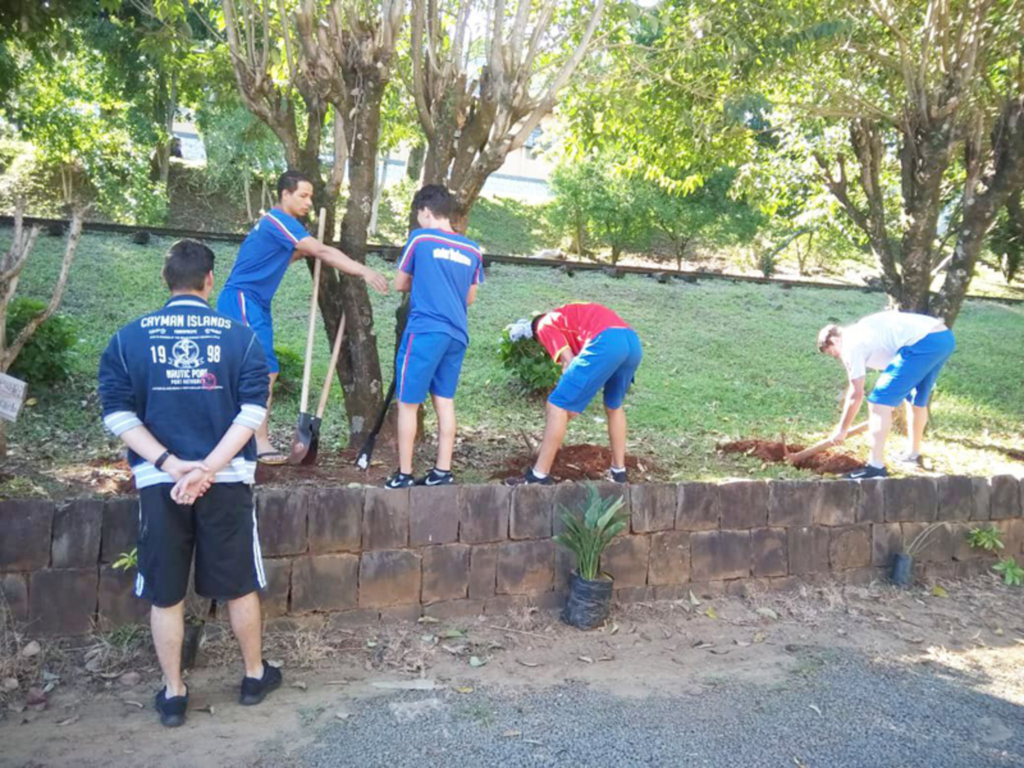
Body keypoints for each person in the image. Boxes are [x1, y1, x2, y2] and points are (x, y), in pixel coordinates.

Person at [99, 240, 281, 728]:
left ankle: (175, 693)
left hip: (161, 480)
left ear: (166, 281)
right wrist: (208, 468)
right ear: (209, 281)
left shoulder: (128, 339)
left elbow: (116, 413)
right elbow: (253, 411)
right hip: (228, 478)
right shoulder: (239, 336)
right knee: (240, 583)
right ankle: (252, 675)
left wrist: (172, 463)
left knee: (166, 591)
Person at [217, 170, 389, 464]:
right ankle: (256, 442)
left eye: (311, 196)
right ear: (285, 195)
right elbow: (320, 251)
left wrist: (313, 250)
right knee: (262, 370)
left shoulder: (281, 227)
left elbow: (292, 254)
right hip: (242, 301)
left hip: (255, 303)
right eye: (303, 196)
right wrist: (362, 269)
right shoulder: (278, 221)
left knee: (253, 371)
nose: (309, 202)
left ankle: (235, 437)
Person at [385, 185, 484, 489]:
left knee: (408, 403)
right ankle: (442, 471)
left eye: (419, 216)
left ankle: (403, 474)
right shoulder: (472, 249)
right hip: (457, 334)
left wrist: (425, 279)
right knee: (445, 401)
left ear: (425, 212)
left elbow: (400, 283)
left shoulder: (421, 238)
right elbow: (470, 298)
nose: (419, 222)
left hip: (426, 331)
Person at [504, 302, 643, 486]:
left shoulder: (543, 325)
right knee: (613, 406)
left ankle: (538, 476)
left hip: (606, 341)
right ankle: (619, 473)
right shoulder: (565, 317)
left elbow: (569, 362)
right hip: (631, 342)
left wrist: (564, 408)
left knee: (556, 404)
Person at [817, 310, 956, 478]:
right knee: (916, 399)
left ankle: (875, 468)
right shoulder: (862, 332)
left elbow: (856, 394)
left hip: (922, 342)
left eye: (833, 352)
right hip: (943, 338)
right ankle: (913, 455)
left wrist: (842, 430)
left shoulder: (849, 345)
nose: (837, 357)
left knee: (878, 402)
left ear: (834, 340)